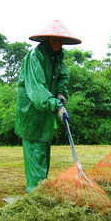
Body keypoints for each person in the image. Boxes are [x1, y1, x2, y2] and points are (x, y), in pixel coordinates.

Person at [14, 20, 81, 192]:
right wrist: (56, 106)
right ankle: (35, 193)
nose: (58, 42)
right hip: (32, 112)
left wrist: (61, 95)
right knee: (36, 152)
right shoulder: (35, 57)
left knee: (43, 151)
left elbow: (62, 78)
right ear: (47, 38)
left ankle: (40, 189)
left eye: (61, 40)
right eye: (54, 39)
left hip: (46, 112)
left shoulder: (57, 57)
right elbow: (37, 89)